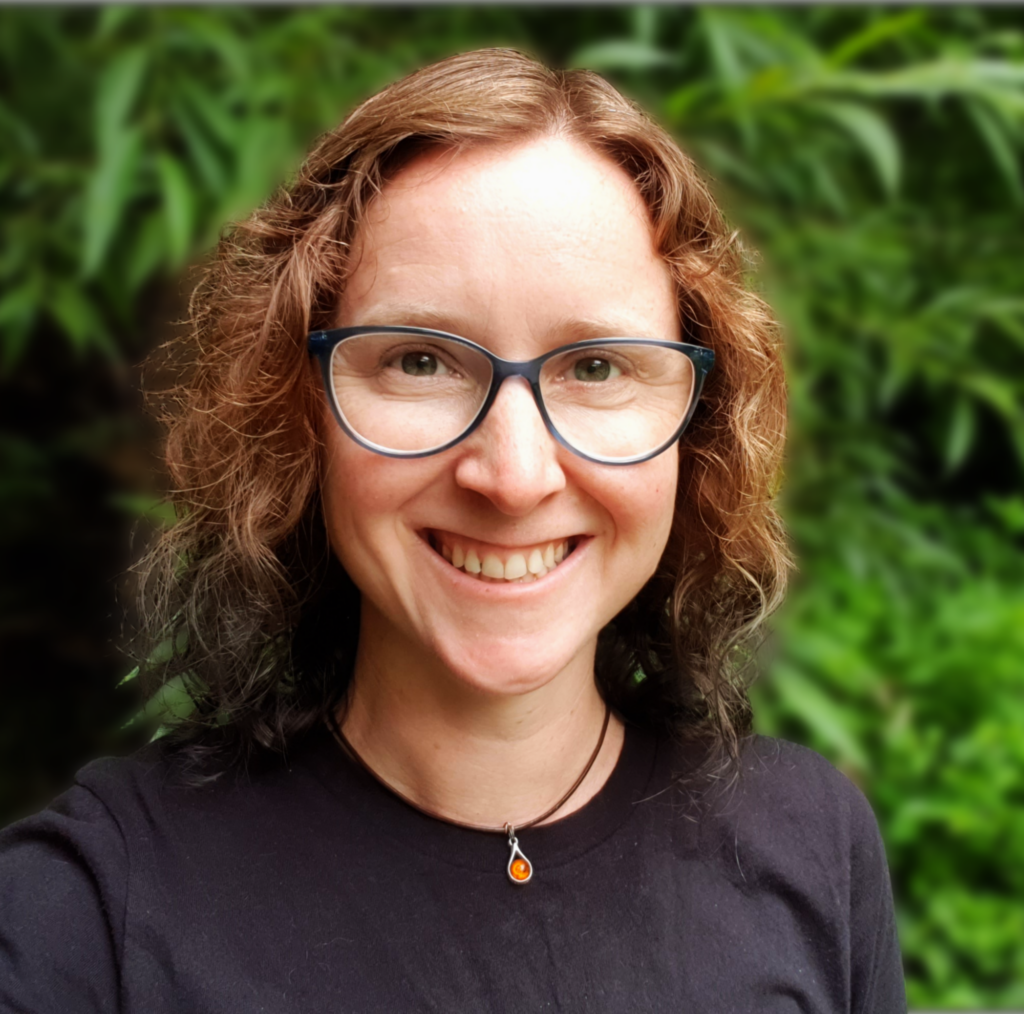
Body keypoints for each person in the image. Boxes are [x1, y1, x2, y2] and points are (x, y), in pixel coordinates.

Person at [0, 49, 905, 1012]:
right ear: (294, 409)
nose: (512, 477)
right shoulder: (89, 913)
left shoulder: (813, 841)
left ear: (700, 426)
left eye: (595, 368)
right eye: (421, 361)